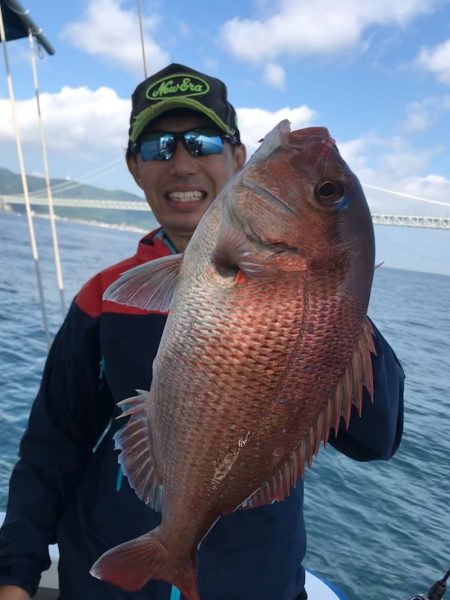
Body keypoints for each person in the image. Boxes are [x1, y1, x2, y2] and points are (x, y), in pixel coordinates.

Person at [0, 62, 405, 600]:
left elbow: (378, 440)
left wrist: (334, 303)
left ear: (238, 158)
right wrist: (14, 577)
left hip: (256, 585)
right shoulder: (104, 296)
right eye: (157, 148)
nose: (182, 162)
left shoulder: (328, 309)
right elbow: (51, 448)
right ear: (133, 168)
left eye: (203, 141)